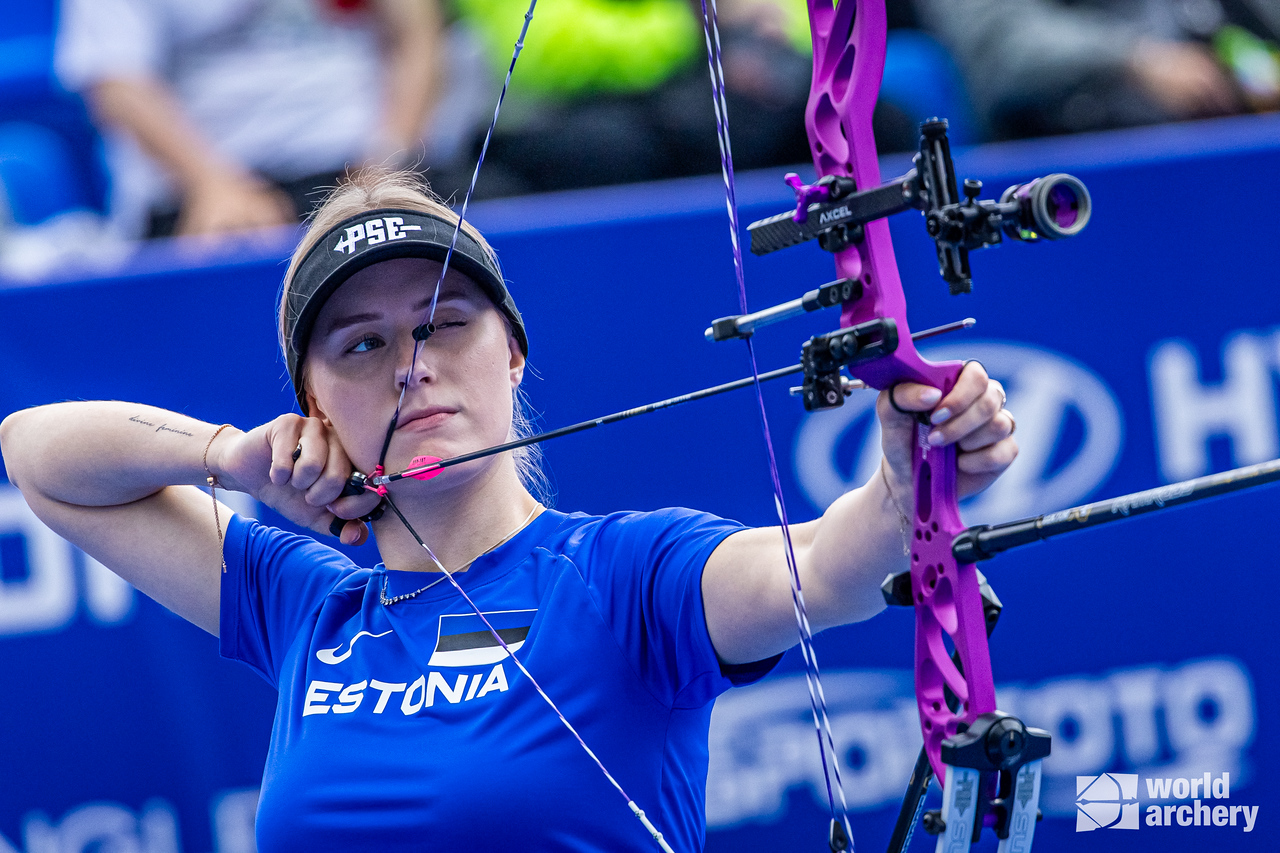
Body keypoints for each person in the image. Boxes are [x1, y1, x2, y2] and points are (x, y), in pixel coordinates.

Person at [0, 169, 1017, 851]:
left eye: (443, 322)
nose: (410, 367)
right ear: (312, 404)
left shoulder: (628, 578)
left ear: (512, 350)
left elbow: (830, 566)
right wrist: (229, 456)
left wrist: (906, 480)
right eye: (359, 345)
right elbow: (38, 454)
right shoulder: (308, 608)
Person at [54, 0, 457, 240]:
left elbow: (417, 36)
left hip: (358, 170)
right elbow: (117, 85)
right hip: (204, 190)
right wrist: (212, 185)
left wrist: (387, 166)